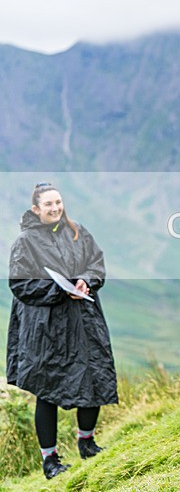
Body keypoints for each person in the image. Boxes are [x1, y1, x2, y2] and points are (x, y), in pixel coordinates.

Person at [6, 183, 118, 480]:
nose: (55, 208)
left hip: (83, 319)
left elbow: (97, 264)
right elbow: (19, 285)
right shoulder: (25, 242)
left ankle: (87, 443)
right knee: (48, 388)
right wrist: (57, 290)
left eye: (58, 202)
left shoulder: (77, 230)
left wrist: (84, 281)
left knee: (94, 376)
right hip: (44, 328)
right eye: (48, 205)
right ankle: (50, 460)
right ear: (36, 210)